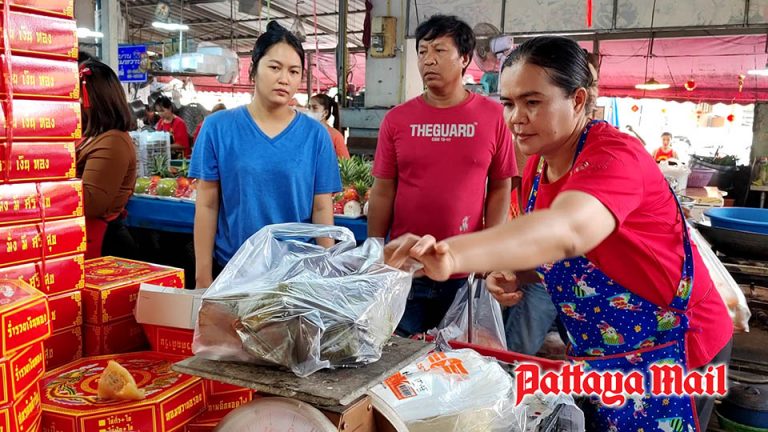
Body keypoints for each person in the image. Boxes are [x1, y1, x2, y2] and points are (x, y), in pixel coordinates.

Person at [385, 36, 732, 431]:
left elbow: (567, 231)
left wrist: (454, 255)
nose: (517, 118)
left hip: (673, 349)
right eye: (509, 104)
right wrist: (520, 272)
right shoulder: (540, 166)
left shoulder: (614, 157)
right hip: (600, 354)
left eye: (532, 102)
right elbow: (577, 258)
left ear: (578, 100)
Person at [367, 15, 518, 337]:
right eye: (422, 51)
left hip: (464, 269)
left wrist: (492, 248)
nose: (428, 60)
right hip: (407, 269)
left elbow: (500, 186)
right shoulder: (397, 120)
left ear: (464, 58)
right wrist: (375, 251)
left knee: (460, 357)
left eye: (439, 50)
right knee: (397, 353)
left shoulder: (494, 117)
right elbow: (383, 189)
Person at [189, 21, 341, 289]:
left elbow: (321, 207)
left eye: (294, 71)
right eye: (274, 67)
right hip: (234, 271)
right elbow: (207, 204)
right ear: (254, 69)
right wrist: (203, 278)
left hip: (296, 276)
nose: (284, 79)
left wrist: (328, 275)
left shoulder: (316, 135)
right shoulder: (218, 127)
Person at [76, 60, 138, 259]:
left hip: (103, 244)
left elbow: (92, 203)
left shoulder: (113, 141)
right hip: (89, 236)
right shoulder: (92, 137)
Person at [308, 94, 350, 159]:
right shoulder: (305, 133)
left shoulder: (335, 136)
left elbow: (345, 162)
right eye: (309, 107)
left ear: (325, 113)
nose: (310, 111)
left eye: (314, 108)